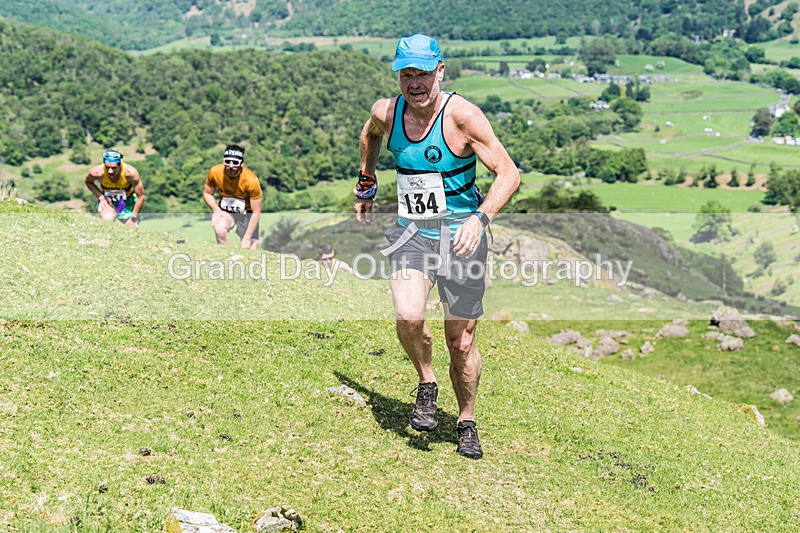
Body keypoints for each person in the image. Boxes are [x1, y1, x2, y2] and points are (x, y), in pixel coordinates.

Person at [354, 34, 520, 459]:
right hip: (413, 233)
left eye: (423, 73)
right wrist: (367, 180)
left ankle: (466, 419)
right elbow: (369, 135)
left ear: (440, 71)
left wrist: (479, 220)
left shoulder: (462, 117)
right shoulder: (387, 113)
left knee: (460, 342)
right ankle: (427, 382)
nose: (415, 83)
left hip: (462, 241)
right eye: (406, 74)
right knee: (408, 315)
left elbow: (509, 174)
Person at [202, 145, 263, 250]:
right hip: (227, 209)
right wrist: (215, 209)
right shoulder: (215, 172)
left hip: (247, 213)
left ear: (242, 164)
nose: (231, 166)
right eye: (227, 161)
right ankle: (229, 255)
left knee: (248, 247)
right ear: (223, 161)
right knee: (219, 229)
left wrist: (247, 238)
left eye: (235, 163)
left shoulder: (251, 180)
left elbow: (257, 212)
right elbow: (207, 193)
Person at [84, 150, 146, 228]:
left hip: (128, 201)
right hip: (108, 200)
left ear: (120, 165)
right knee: (107, 220)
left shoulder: (130, 173)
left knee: (131, 227)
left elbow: (141, 196)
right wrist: (101, 197)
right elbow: (88, 182)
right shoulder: (97, 172)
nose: (110, 171)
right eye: (107, 167)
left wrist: (134, 216)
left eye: (114, 168)